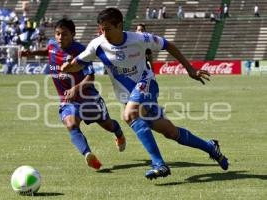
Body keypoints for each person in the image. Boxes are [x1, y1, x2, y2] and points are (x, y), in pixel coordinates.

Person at [62, 8, 229, 180]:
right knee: (171, 132)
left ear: (119, 25)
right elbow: (79, 63)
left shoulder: (139, 39)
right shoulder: (97, 45)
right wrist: (68, 67)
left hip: (146, 83)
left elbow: (168, 45)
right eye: (101, 29)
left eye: (108, 29)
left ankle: (159, 164)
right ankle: (211, 148)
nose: (104, 33)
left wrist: (190, 69)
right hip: (129, 95)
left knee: (129, 114)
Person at [20, 18, 126, 170]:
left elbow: (90, 78)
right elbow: (47, 50)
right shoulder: (52, 45)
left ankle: (118, 133)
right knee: (71, 124)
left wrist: (76, 88)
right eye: (57, 34)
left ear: (73, 34)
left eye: (64, 34)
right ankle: (88, 154)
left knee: (107, 125)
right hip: (67, 99)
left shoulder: (81, 52)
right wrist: (30, 53)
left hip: (88, 98)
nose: (60, 38)